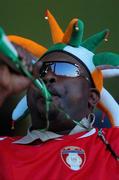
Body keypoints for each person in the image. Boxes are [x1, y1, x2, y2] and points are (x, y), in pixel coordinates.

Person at [0, 10, 119, 179]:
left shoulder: (114, 144)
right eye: (41, 71)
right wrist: (2, 90)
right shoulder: (3, 151)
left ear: (91, 97)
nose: (48, 76)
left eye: (65, 69)